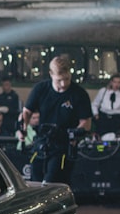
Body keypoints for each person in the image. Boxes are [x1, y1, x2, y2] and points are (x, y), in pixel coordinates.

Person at [18, 54, 92, 184]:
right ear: (51, 74)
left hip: (63, 145)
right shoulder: (40, 89)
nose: (63, 84)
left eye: (66, 79)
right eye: (59, 80)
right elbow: (26, 112)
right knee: (35, 182)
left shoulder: (79, 94)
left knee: (52, 181)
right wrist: (22, 128)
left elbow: (86, 122)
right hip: (42, 142)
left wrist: (75, 134)